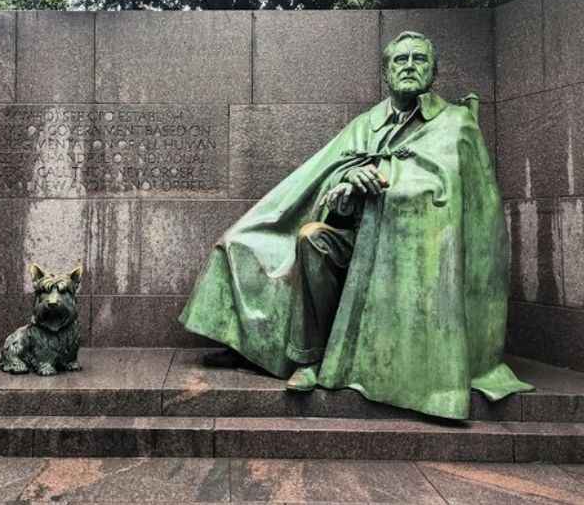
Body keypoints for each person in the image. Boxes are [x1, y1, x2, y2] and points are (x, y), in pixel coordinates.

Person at [178, 30, 533, 420]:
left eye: (419, 59)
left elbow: (466, 204)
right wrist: (346, 188)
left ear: (434, 71)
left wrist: (387, 181)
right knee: (303, 239)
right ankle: (307, 358)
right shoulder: (367, 124)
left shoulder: (456, 123)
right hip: (357, 241)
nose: (410, 66)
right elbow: (327, 178)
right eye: (401, 60)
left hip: (414, 255)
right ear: (386, 71)